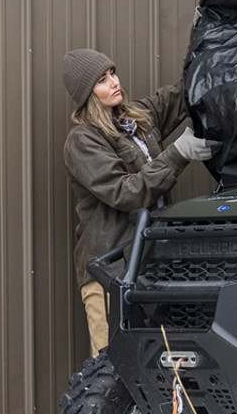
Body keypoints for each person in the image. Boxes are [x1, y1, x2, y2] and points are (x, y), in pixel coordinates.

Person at [62, 48, 214, 355]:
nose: (114, 82)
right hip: (110, 271)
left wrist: (201, 43)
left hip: (152, 266)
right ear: (87, 94)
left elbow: (181, 93)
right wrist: (178, 153)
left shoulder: (137, 120)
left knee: (160, 363)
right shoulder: (83, 141)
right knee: (113, 365)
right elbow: (126, 193)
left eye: (112, 73)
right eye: (102, 81)